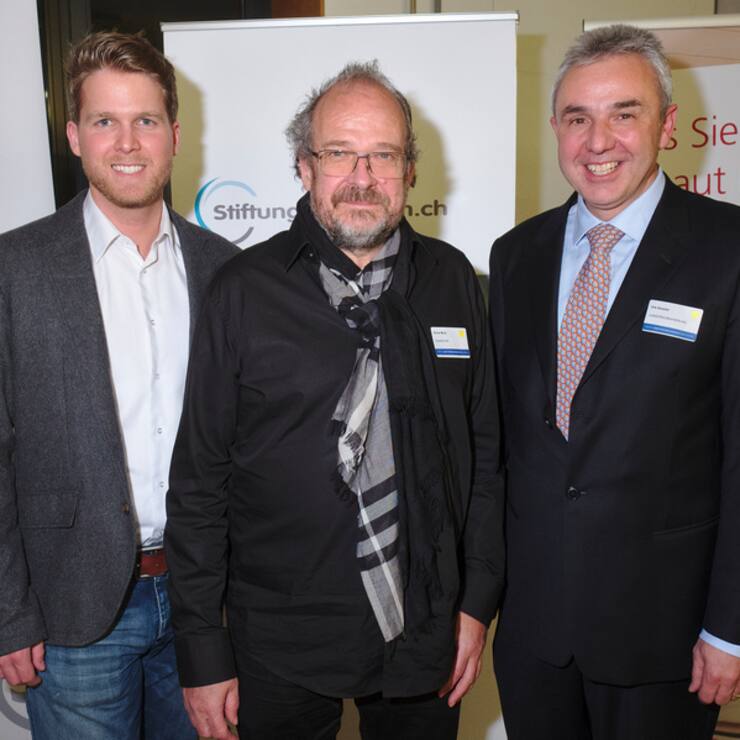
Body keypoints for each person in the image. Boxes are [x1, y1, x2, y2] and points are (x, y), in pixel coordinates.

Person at [165, 61, 504, 740]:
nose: (362, 176)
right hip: (278, 643)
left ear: (410, 170)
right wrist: (202, 652)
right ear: (304, 167)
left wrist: (476, 605)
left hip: (426, 631)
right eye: (339, 153)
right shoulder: (243, 291)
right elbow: (200, 484)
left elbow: (485, 458)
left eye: (383, 155)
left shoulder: (453, 281)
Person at [489, 23, 740, 740]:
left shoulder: (729, 250)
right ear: (555, 129)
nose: (598, 141)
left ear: (667, 124)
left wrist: (729, 629)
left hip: (665, 635)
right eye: (577, 118)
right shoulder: (515, 256)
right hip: (535, 632)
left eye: (623, 114)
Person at [0, 31, 237, 739]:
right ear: (75, 136)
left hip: (204, 604)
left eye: (146, 120)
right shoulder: (15, 269)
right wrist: (9, 610)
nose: (127, 142)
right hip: (71, 610)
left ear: (175, 135)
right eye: (105, 120)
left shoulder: (224, 269)